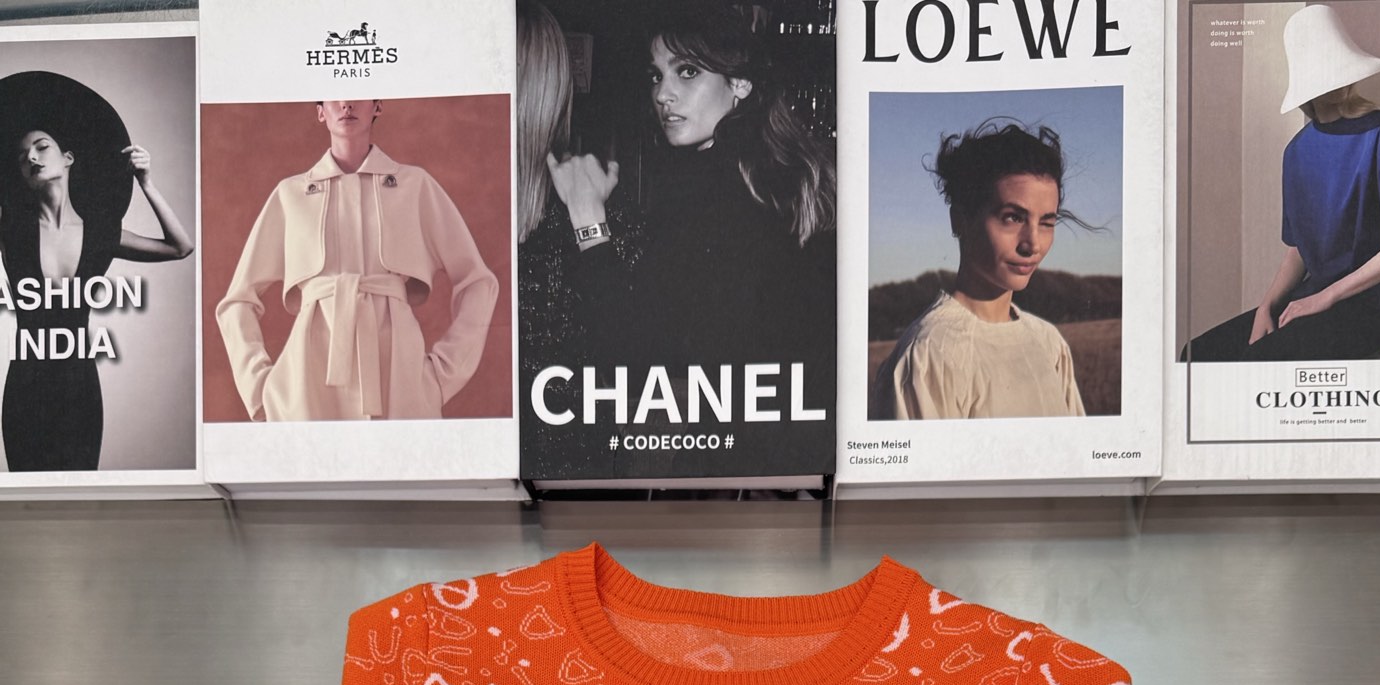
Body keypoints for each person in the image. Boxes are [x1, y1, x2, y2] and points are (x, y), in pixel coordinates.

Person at [539, 1, 836, 383]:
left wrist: (587, 219)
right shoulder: (774, 177)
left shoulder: (717, 193)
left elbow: (630, 361)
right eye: (656, 76)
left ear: (740, 82)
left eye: (688, 72)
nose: (663, 94)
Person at [215, 99, 499, 423]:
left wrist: (442, 376)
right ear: (320, 111)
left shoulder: (414, 185)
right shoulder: (290, 194)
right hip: (306, 386)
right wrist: (260, 389)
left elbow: (478, 282)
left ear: (377, 106)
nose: (346, 103)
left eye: (357, 94)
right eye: (334, 95)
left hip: (400, 382)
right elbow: (237, 302)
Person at [1185, 4, 1380, 363]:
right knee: (1196, 355)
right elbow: (1299, 249)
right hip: (1317, 297)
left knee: (1262, 361)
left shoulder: (1379, 131)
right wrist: (1266, 306)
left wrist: (1325, 297)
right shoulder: (1296, 152)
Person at [0, 69, 193, 471]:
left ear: (68, 158)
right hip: (25, 386)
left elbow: (181, 247)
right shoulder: (10, 229)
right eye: (22, 156)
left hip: (80, 385)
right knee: (31, 493)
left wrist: (146, 183)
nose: (31, 157)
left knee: (79, 490)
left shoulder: (103, 233)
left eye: (41, 147)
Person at [873, 120, 1085, 422]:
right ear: (960, 220)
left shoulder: (1050, 344)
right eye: (1013, 218)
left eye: (1047, 223)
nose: (1033, 244)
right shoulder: (929, 354)